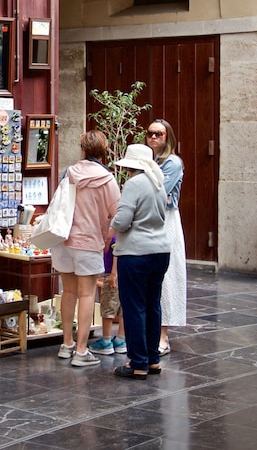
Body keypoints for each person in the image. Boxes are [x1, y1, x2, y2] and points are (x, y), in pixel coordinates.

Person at [54, 131, 121, 367]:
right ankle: (82, 351)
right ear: (103, 152)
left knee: (68, 292)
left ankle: (67, 344)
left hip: (63, 240)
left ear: (82, 150)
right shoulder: (107, 179)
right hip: (89, 241)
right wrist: (108, 237)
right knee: (86, 294)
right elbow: (118, 215)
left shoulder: (69, 172)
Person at [110, 144, 170, 379]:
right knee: (153, 304)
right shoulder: (158, 182)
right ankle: (152, 359)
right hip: (160, 251)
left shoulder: (134, 184)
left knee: (134, 307)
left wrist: (112, 224)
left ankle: (138, 363)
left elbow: (123, 220)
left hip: (135, 253)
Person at [146, 119, 187, 355]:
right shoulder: (147, 160)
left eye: (158, 134)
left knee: (168, 277)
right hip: (148, 220)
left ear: (167, 137)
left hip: (166, 220)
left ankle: (162, 335)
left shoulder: (172, 163)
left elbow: (157, 190)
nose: (153, 138)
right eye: (150, 133)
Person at [89, 235, 127, 356]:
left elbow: (117, 251)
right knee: (123, 307)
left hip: (111, 275)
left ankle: (106, 340)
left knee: (107, 307)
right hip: (125, 273)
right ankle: (121, 339)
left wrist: (113, 274)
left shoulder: (115, 232)